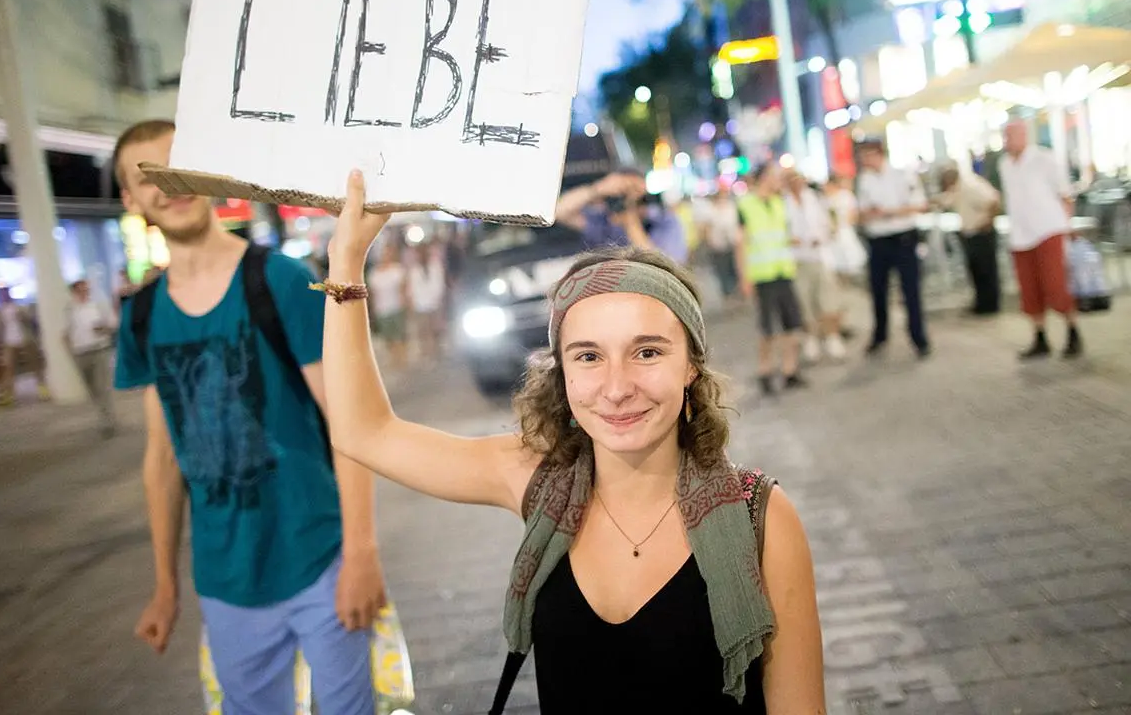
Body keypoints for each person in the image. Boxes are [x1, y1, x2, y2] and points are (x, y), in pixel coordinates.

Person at [315, 169, 825, 713]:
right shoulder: (535, 480)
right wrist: (346, 261)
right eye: (588, 356)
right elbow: (363, 431)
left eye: (648, 352)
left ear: (691, 368)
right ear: (562, 374)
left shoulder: (762, 520)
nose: (616, 387)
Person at [110, 120, 385, 715]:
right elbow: (161, 459)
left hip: (318, 554)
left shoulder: (278, 280)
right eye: (146, 175)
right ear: (130, 200)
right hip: (225, 577)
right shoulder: (140, 317)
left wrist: (361, 553)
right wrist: (165, 584)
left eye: (177, 164)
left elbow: (349, 425)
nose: (168, 183)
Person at [998, 120, 1083, 359]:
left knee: (1055, 286)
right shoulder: (1005, 164)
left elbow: (1065, 195)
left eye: (1010, 135)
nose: (1007, 140)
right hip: (1020, 235)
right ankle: (1040, 336)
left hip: (1048, 230)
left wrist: (1066, 227)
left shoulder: (1044, 159)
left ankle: (1073, 330)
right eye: (1005, 135)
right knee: (1030, 290)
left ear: (1024, 135)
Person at [856, 139, 931, 359]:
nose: (864, 160)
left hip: (903, 240)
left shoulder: (902, 175)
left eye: (867, 155)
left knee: (911, 291)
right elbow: (861, 212)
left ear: (878, 154)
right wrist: (873, 214)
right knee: (878, 291)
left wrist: (889, 212)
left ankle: (919, 338)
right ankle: (880, 335)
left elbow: (919, 205)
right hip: (878, 241)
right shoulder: (864, 180)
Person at [736, 165, 806, 395]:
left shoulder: (779, 203)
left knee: (791, 325)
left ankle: (790, 371)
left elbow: (783, 235)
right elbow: (741, 243)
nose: (779, 181)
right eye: (775, 176)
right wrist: (744, 277)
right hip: (762, 276)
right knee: (767, 329)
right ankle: (765, 373)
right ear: (764, 178)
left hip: (783, 272)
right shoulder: (746, 205)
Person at [555, 168, 689, 264]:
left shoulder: (664, 221)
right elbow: (559, 212)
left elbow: (663, 266)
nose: (626, 199)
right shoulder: (604, 221)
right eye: (621, 194)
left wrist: (630, 223)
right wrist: (596, 189)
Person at [784, 172, 846, 363]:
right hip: (797, 259)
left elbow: (830, 223)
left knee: (827, 300)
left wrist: (823, 236)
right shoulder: (783, 203)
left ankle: (832, 337)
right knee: (804, 302)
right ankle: (811, 338)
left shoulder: (816, 199)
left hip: (819, 255)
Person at [937, 166, 1002, 316]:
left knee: (987, 271)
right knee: (976, 271)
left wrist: (987, 221)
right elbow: (947, 200)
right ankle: (981, 304)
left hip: (982, 233)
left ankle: (991, 306)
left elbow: (993, 200)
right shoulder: (958, 188)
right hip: (970, 233)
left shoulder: (971, 186)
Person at [64, 279, 118, 435]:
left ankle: (107, 421)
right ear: (74, 292)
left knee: (103, 387)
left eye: (86, 289)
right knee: (92, 389)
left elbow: (113, 324)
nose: (84, 293)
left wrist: (104, 329)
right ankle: (103, 413)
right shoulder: (70, 310)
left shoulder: (98, 306)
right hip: (81, 352)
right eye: (80, 290)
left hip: (99, 349)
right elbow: (65, 334)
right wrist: (71, 353)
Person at [0, 287, 49, 405]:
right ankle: (9, 394)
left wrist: (22, 316)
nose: (4, 296)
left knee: (35, 364)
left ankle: (42, 387)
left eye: (5, 293)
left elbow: (30, 320)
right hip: (9, 341)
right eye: (1, 294)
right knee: (8, 367)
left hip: (25, 338)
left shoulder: (19, 307)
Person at [367, 238, 410, 370]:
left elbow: (404, 288)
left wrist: (405, 304)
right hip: (382, 309)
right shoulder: (373, 274)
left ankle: (402, 358)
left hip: (396, 307)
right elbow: (372, 294)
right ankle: (394, 358)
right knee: (388, 337)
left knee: (399, 334)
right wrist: (373, 310)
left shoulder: (397, 270)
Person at [699, 187, 743, 309]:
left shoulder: (731, 207)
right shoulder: (710, 210)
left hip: (732, 245)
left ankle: (736, 295)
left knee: (733, 271)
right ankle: (728, 297)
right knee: (722, 272)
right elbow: (706, 228)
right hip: (718, 247)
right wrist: (709, 241)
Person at [408, 240, 446, 361]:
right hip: (420, 304)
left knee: (436, 328)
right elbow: (412, 287)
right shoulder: (414, 269)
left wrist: (438, 298)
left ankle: (436, 350)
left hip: (434, 302)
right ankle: (425, 351)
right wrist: (412, 301)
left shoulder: (435, 265)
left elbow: (440, 283)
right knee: (423, 329)